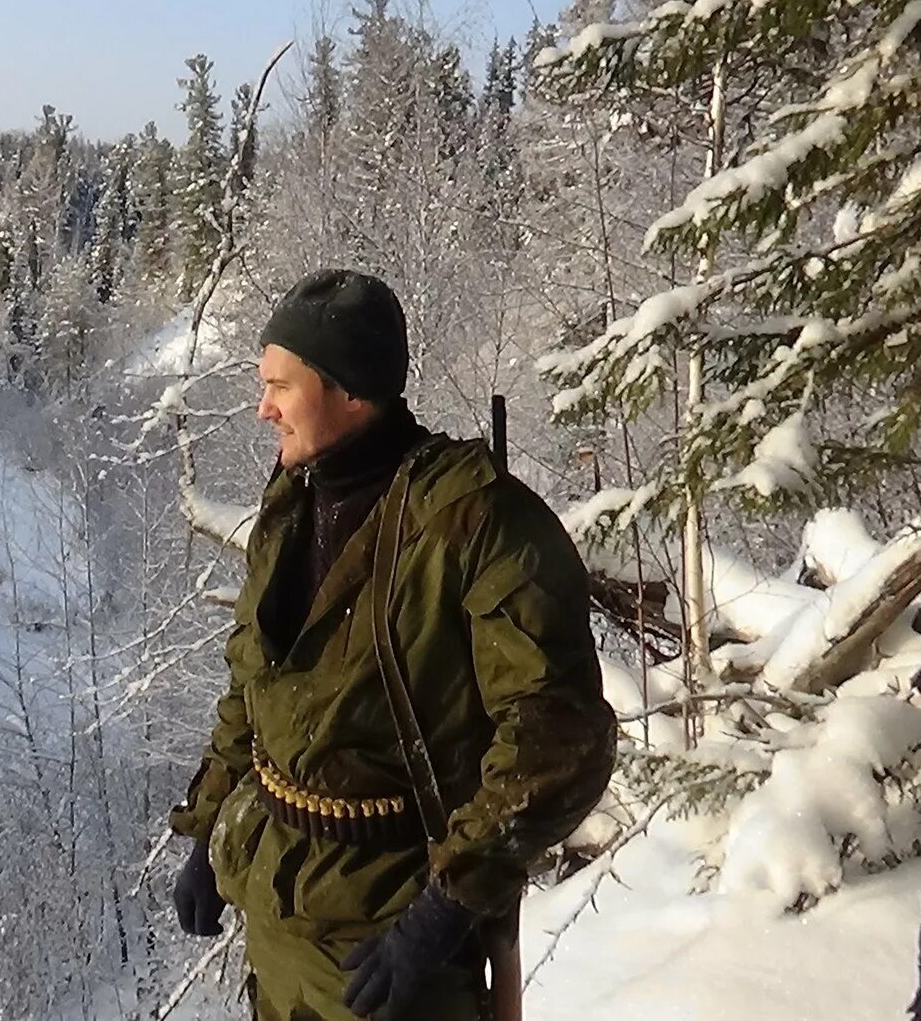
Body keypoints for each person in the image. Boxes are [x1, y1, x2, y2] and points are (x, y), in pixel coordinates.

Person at [169, 269, 617, 1021]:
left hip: (388, 952)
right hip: (277, 914)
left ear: (350, 389)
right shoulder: (292, 505)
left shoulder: (476, 524)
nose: (262, 409)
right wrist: (208, 827)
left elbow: (560, 739)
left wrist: (439, 916)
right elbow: (254, 689)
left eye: (281, 386)